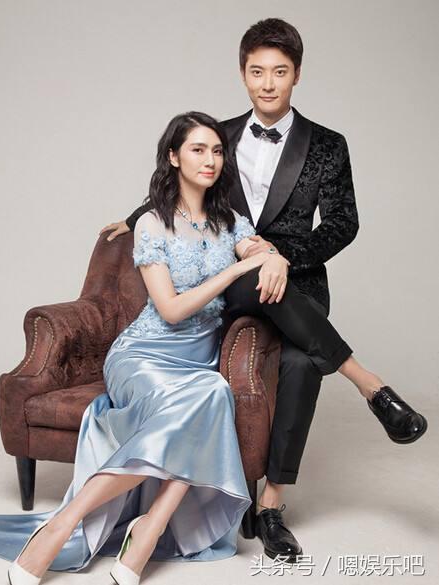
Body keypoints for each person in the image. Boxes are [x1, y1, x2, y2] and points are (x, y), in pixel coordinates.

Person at [101, 18, 428, 561]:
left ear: (297, 75)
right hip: (233, 281)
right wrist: (134, 216)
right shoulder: (220, 136)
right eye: (257, 72)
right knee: (255, 277)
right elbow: (183, 183)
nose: (268, 83)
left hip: (299, 284)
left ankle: (270, 505)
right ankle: (371, 385)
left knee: (302, 362)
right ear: (242, 74)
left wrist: (283, 259)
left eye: (279, 72)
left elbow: (342, 222)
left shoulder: (328, 145)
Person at [0, 112, 285, 584]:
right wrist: (233, 271)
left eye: (216, 150)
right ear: (174, 157)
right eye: (197, 149)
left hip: (198, 361)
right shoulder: (151, 223)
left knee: (212, 393)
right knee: (206, 399)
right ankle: (65, 525)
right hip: (144, 355)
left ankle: (151, 525)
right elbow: (170, 309)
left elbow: (261, 251)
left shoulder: (232, 223)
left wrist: (272, 258)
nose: (210, 160)